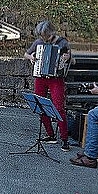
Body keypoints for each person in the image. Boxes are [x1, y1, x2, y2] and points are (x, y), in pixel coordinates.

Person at [24, 21, 71, 151]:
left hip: (56, 78)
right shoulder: (38, 42)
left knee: (58, 107)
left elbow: (69, 58)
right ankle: (50, 135)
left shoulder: (62, 42)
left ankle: (65, 139)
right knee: (40, 105)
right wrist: (31, 57)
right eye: (42, 37)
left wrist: (66, 58)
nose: (44, 39)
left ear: (52, 32)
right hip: (40, 77)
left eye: (46, 36)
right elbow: (26, 54)